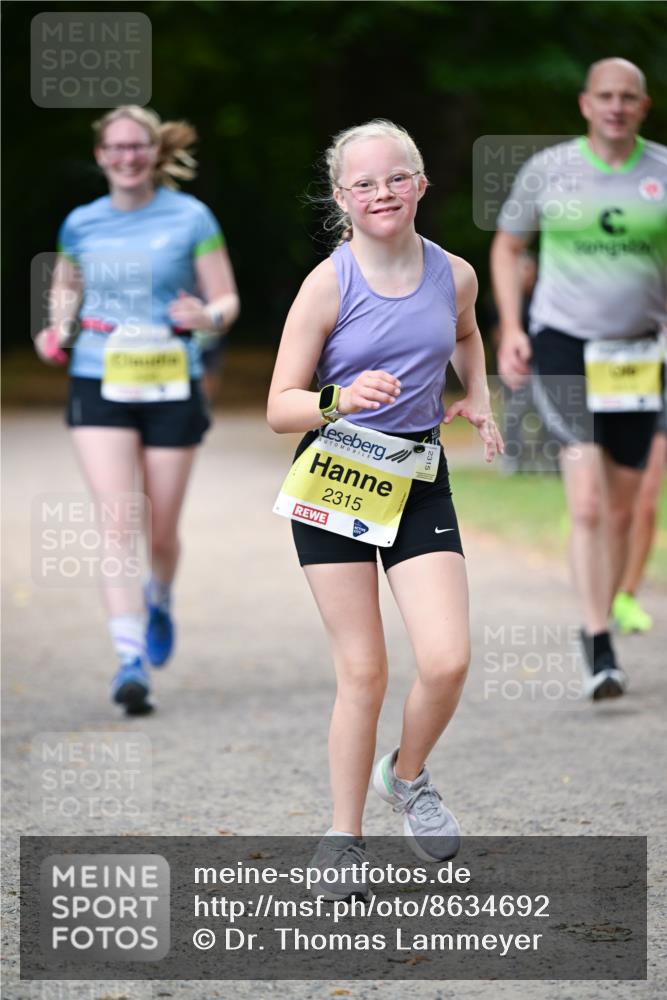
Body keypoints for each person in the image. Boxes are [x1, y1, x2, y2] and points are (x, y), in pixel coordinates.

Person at [267, 120, 503, 897]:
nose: (381, 193)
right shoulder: (327, 285)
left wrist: (477, 395)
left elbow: (466, 335)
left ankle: (405, 776)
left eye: (395, 178)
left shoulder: (456, 274)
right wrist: (336, 398)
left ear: (421, 183)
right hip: (334, 478)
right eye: (363, 184)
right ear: (341, 198)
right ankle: (342, 839)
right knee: (362, 671)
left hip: (416, 475)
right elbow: (279, 406)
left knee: (445, 658)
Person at [34, 105, 240, 714]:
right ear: (101, 155)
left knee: (161, 528)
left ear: (154, 153)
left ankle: (161, 597)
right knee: (119, 523)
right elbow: (67, 288)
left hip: (173, 380)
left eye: (137, 147)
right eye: (116, 148)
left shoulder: (190, 216)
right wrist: (58, 326)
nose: (127, 157)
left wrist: (209, 317)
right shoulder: (81, 223)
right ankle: (130, 661)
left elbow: (226, 297)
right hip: (99, 380)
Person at [491, 58, 667, 700]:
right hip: (562, 346)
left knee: (623, 508)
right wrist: (513, 327)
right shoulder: (550, 170)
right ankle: (598, 640)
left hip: (639, 355)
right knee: (587, 500)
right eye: (606, 96)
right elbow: (509, 246)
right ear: (585, 104)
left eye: (629, 97)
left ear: (642, 108)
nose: (617, 106)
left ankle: (610, 609)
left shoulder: (663, 172)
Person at [612, 399, 666, 633]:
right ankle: (605, 583)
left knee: (646, 502)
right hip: (609, 388)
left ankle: (627, 594)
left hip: (656, 387)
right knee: (613, 506)